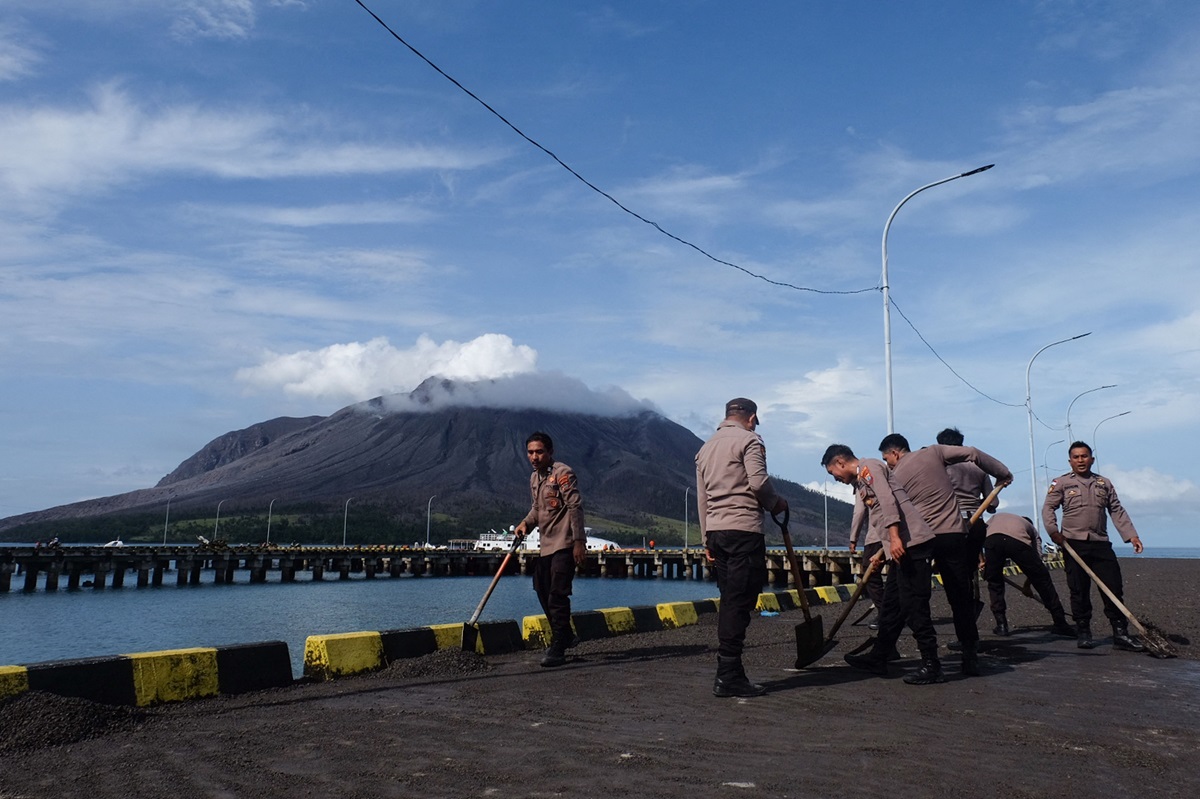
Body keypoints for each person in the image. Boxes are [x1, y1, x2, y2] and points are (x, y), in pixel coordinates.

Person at [878, 433, 1013, 679]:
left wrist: (886, 549)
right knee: (960, 597)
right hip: (952, 533)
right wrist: (1002, 473)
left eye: (887, 459)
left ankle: (931, 663)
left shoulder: (894, 476)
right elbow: (972, 452)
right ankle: (970, 658)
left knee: (916, 601)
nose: (888, 464)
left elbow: (890, 512)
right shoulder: (935, 452)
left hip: (920, 539)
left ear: (895, 453)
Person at [824, 444, 940, 683]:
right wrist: (883, 552)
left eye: (832, 472)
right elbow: (878, 514)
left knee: (913, 605)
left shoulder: (869, 467)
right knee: (891, 606)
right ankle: (879, 657)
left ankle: (932, 664)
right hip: (900, 548)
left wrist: (895, 538)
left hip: (912, 545)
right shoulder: (861, 480)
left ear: (840, 463)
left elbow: (887, 502)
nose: (835, 479)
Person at [696, 398, 787, 698]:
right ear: (751, 418)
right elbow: (759, 482)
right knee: (740, 601)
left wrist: (705, 537)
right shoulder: (749, 441)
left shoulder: (705, 448)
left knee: (730, 598)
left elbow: (702, 498)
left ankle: (731, 671)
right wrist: (776, 503)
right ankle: (728, 674)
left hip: (717, 532)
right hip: (743, 529)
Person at [1042, 441, 1145, 651]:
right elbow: (1048, 508)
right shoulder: (1060, 483)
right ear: (1070, 461)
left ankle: (1120, 633)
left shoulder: (1103, 483)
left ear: (1092, 459)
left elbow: (1116, 510)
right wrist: (1053, 532)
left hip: (1100, 543)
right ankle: (1084, 632)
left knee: (1113, 588)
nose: (1081, 460)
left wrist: (1131, 536)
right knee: (1079, 590)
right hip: (1073, 544)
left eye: (1084, 456)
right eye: (1076, 457)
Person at [513, 431, 587, 667]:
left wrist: (579, 542)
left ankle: (558, 646)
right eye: (530, 452)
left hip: (564, 543)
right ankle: (564, 634)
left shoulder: (562, 473)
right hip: (546, 545)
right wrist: (525, 522)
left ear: (550, 452)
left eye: (539, 451)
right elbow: (537, 509)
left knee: (558, 593)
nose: (534, 457)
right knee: (540, 587)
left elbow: (575, 506)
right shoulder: (535, 478)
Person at [982, 513, 1075, 637]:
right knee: (1043, 580)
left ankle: (1002, 625)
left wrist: (982, 562)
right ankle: (1060, 622)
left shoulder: (996, 518)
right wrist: (1029, 584)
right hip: (1017, 543)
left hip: (992, 541)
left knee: (995, 584)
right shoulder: (1031, 529)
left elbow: (979, 536)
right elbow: (1037, 564)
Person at [848, 489, 885, 629]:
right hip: (893, 531)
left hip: (876, 535)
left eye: (833, 473)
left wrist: (853, 538)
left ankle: (885, 613)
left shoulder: (862, 482)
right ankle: (896, 611)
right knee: (898, 574)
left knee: (870, 575)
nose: (836, 479)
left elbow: (859, 512)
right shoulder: (882, 476)